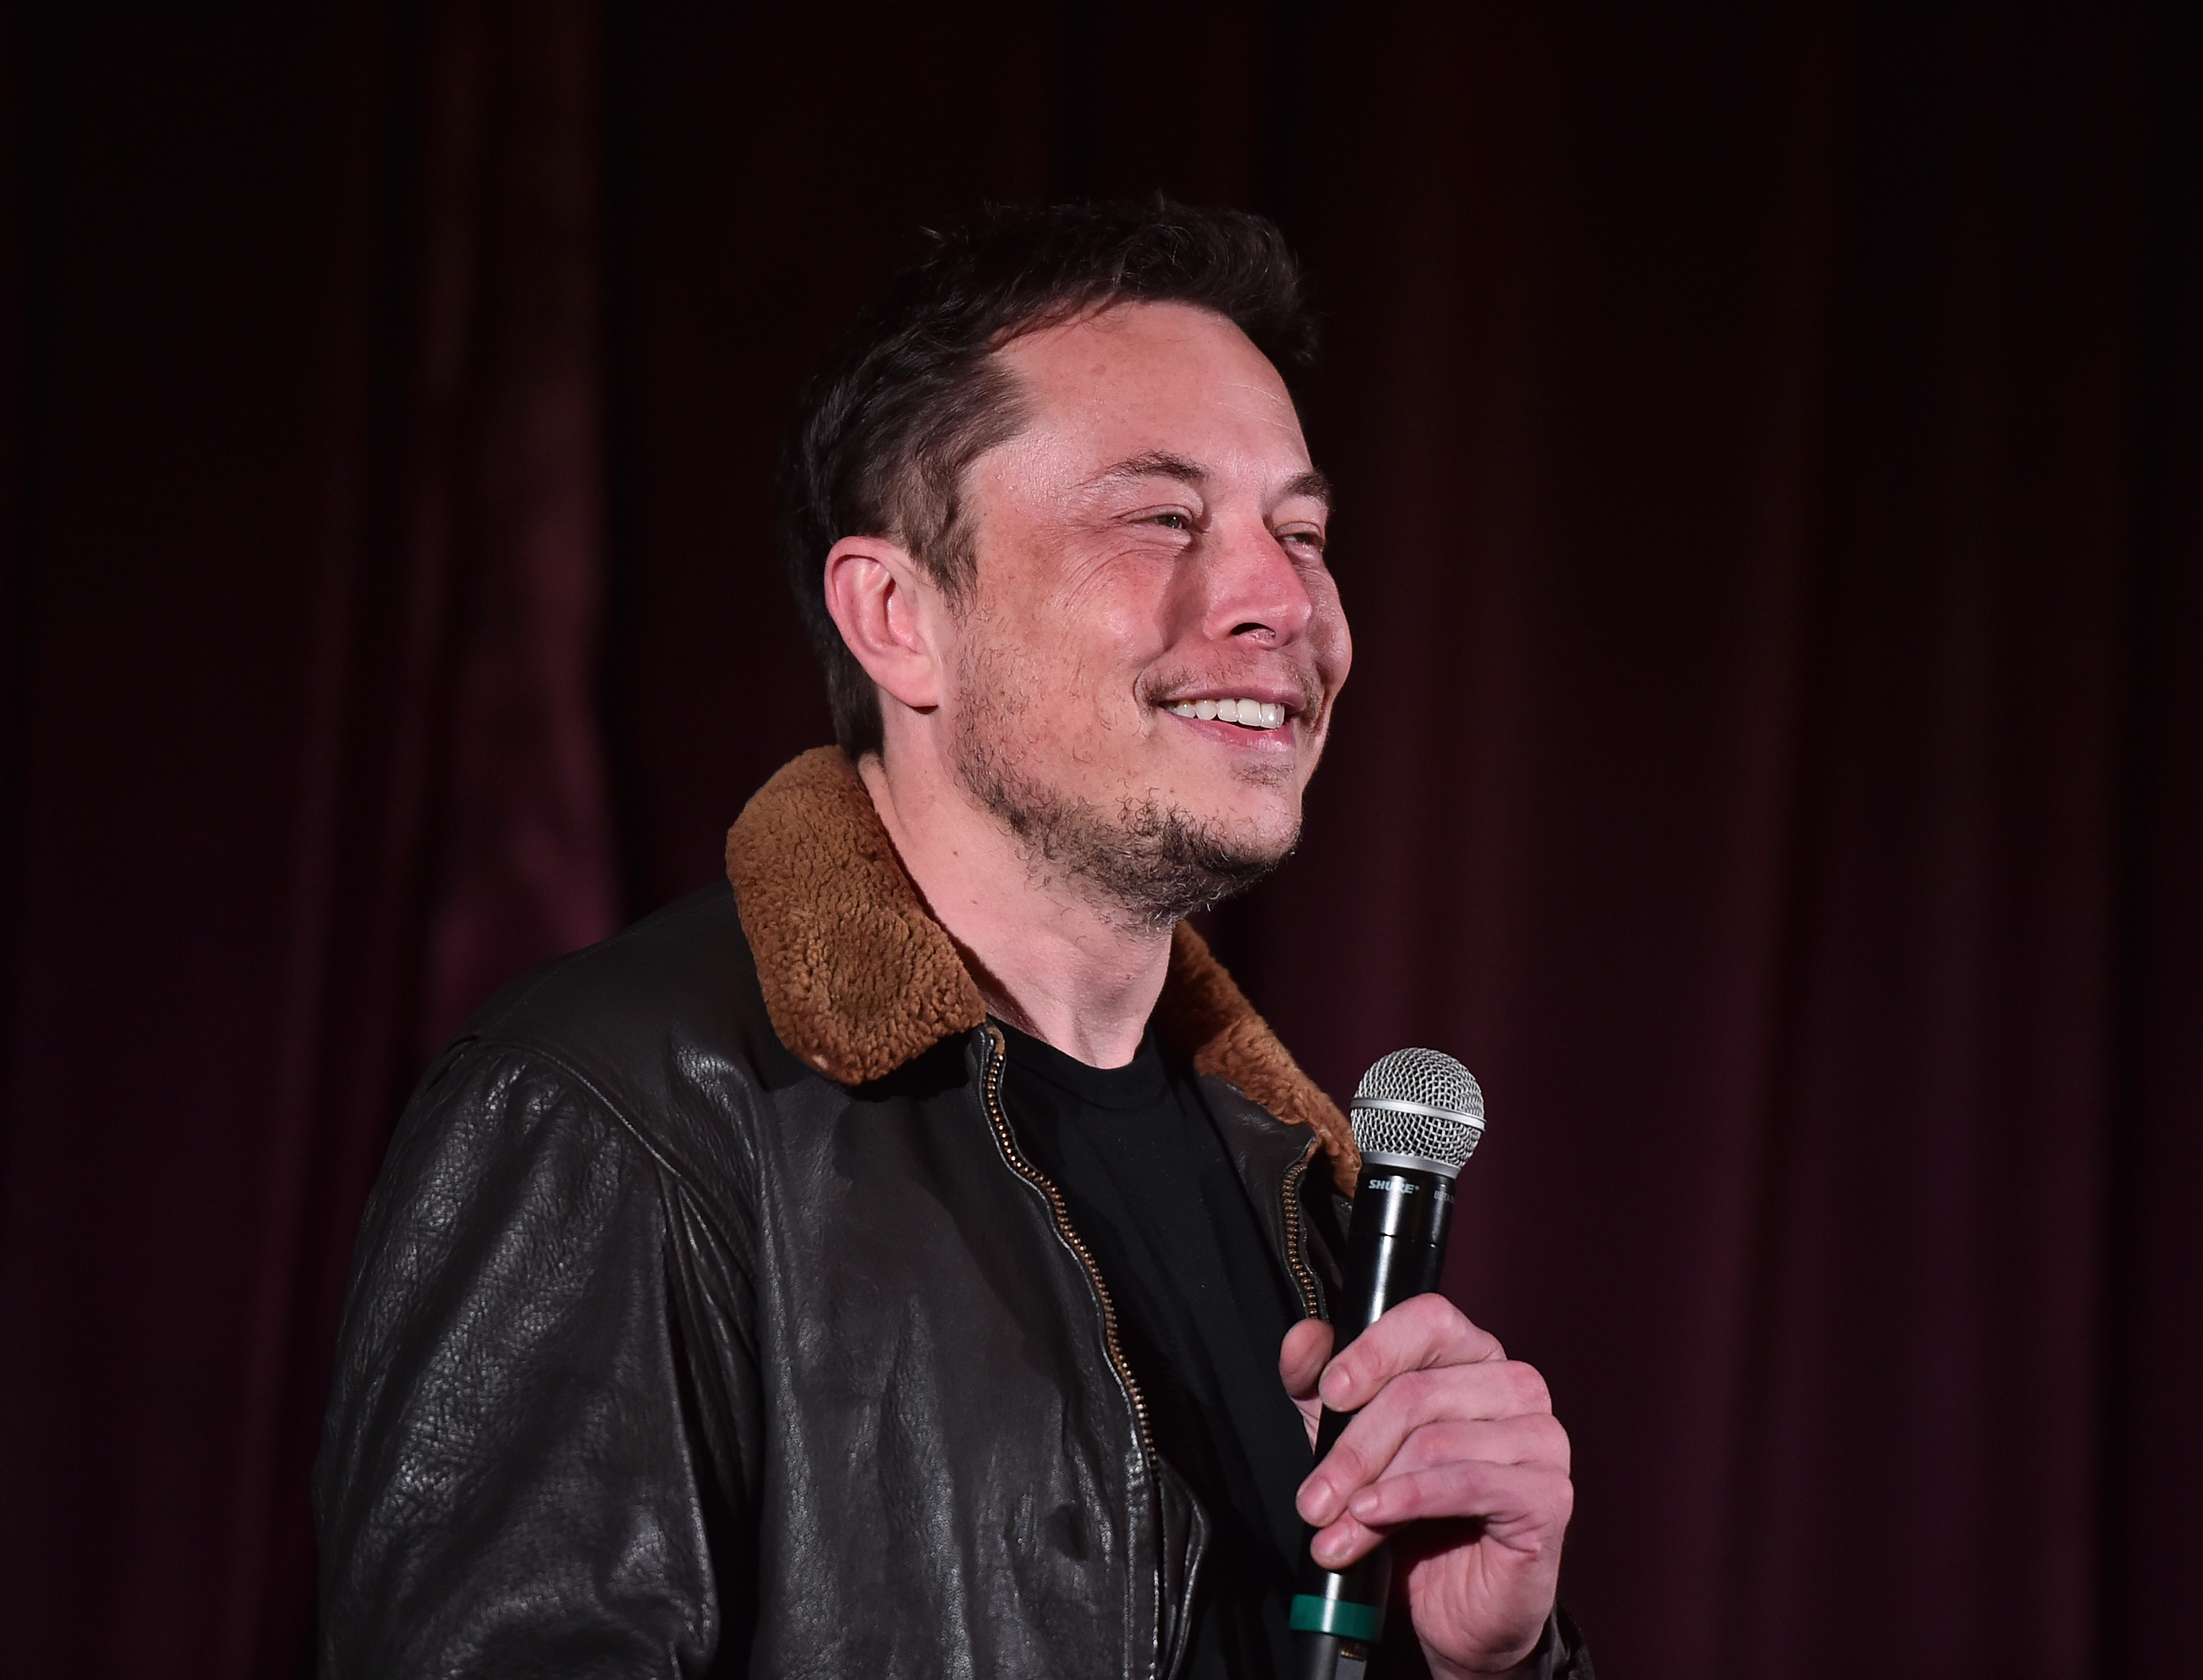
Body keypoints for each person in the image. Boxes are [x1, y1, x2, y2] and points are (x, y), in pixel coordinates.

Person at [315, 200, 1581, 1680]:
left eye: (1300, 532)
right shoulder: (618, 1115)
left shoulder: (1306, 1197)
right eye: (1161, 517)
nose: (1281, 602)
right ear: (899, 616)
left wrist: (1488, 1666)